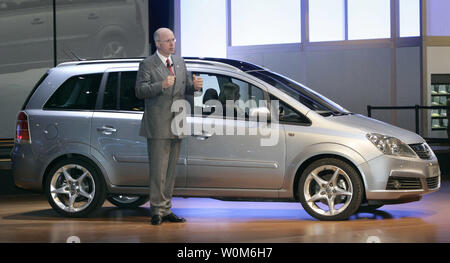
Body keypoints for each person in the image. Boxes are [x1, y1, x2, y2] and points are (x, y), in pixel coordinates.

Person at [135, 28, 203, 225]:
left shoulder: (180, 62)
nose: (172, 43)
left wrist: (195, 86)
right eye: (168, 40)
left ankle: (166, 209)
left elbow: (183, 88)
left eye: (173, 39)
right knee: (158, 170)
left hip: (177, 122)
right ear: (158, 43)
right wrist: (161, 85)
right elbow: (140, 91)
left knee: (171, 171)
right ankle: (156, 210)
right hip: (158, 124)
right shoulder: (147, 64)